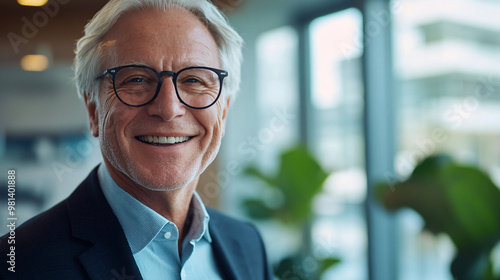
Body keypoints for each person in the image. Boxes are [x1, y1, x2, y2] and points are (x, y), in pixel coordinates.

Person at [0, 0, 273, 279]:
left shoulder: (248, 245)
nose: (168, 109)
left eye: (194, 80)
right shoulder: (19, 264)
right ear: (93, 110)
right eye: (137, 80)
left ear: (223, 111)